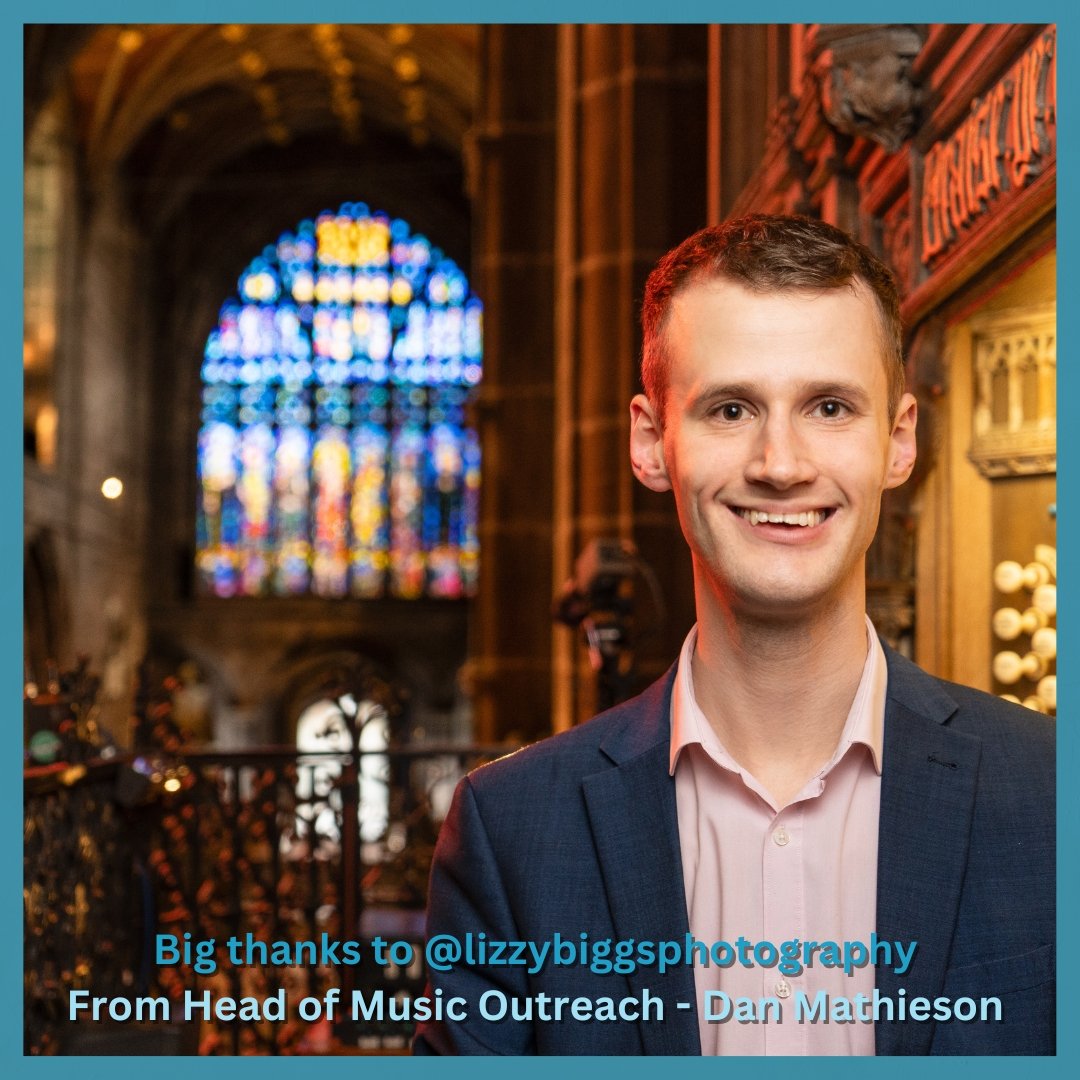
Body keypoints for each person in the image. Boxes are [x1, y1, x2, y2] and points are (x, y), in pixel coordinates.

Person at [412, 215, 1055, 1056]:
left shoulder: (1053, 797)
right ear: (651, 441)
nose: (780, 463)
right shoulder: (512, 833)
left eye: (829, 406)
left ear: (898, 441)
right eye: (730, 408)